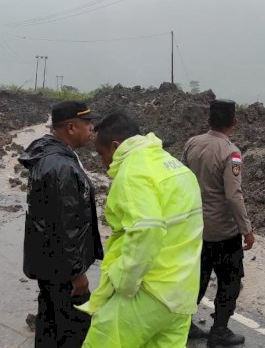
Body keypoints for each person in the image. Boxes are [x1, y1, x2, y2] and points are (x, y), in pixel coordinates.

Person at [78, 110, 204, 348]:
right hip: (182, 297)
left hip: (147, 293)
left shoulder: (134, 171)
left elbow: (147, 231)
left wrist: (125, 284)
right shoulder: (176, 167)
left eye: (101, 154)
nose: (103, 163)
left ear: (116, 146)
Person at [19, 100, 104, 348]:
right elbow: (65, 225)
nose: (92, 130)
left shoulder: (52, 156)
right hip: (63, 270)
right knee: (74, 331)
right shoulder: (60, 167)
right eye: (87, 124)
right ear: (70, 127)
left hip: (50, 264)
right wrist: (78, 274)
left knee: (50, 323)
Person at [183, 99, 254, 347]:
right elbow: (233, 195)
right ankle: (220, 330)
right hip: (223, 232)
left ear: (208, 120)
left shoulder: (192, 143)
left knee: (196, 279)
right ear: (234, 122)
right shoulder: (231, 153)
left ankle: (185, 324)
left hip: (194, 228)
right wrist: (246, 229)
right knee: (229, 281)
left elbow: (182, 180)